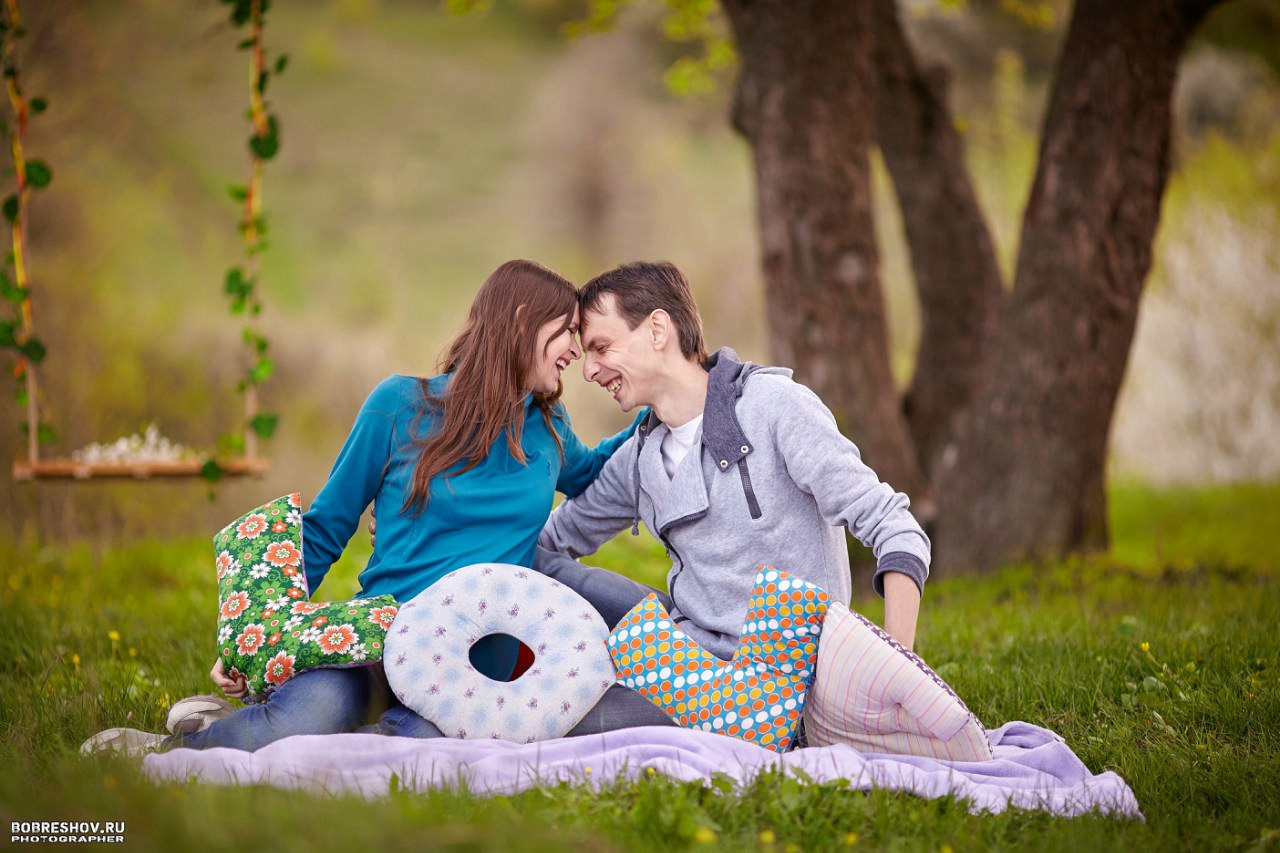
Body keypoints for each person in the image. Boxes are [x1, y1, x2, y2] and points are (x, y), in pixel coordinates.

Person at [81, 259, 673, 756]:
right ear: (522, 320)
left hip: (475, 667)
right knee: (302, 722)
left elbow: (595, 470)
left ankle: (237, 728)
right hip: (379, 640)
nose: (577, 350)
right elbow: (324, 530)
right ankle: (169, 750)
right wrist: (257, 636)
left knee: (403, 754)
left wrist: (663, 395)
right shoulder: (400, 405)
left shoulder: (547, 425)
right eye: (567, 331)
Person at [533, 261, 930, 664]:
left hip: (789, 669)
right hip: (692, 660)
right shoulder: (638, 458)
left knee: (599, 697)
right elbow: (549, 540)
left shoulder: (773, 407)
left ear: (657, 329)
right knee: (541, 569)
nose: (588, 371)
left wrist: (896, 666)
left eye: (601, 348)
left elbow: (896, 528)